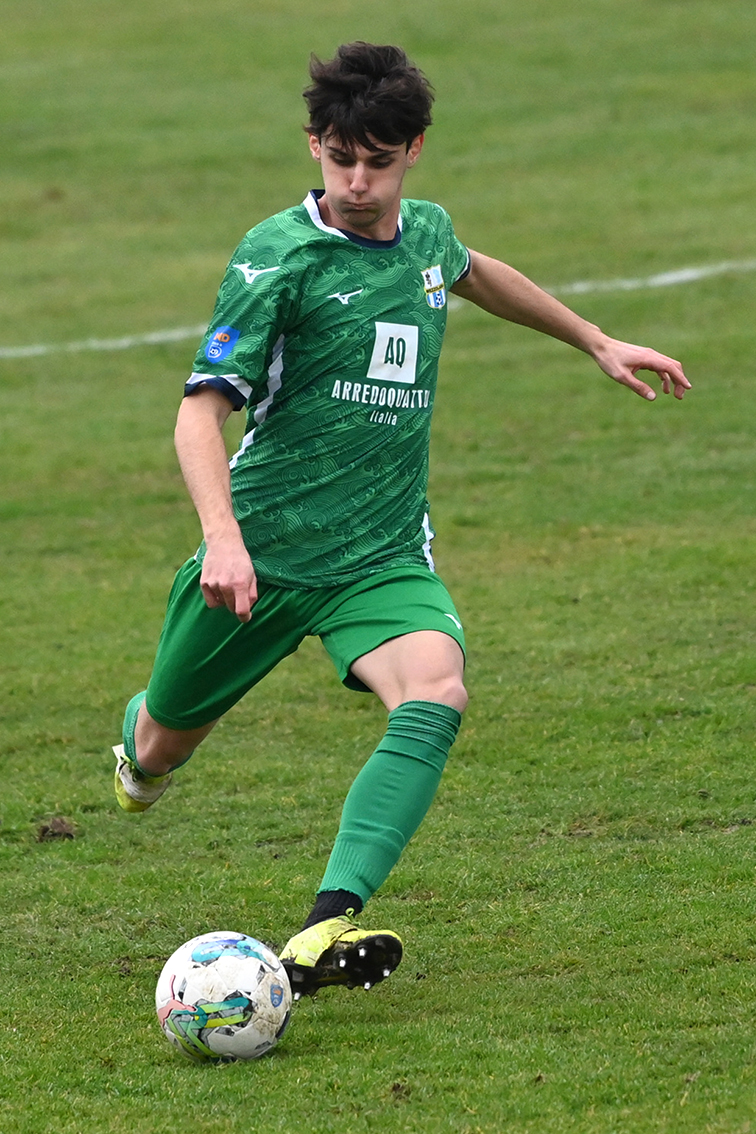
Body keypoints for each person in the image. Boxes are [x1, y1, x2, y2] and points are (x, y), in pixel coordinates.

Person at [113, 42, 690, 999]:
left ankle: (322, 923)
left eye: (378, 162)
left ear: (413, 151)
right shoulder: (278, 256)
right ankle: (139, 743)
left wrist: (593, 339)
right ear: (315, 146)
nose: (357, 183)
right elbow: (199, 411)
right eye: (341, 159)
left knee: (436, 688)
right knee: (160, 750)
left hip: (379, 554)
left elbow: (471, 271)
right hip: (264, 554)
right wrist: (224, 540)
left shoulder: (423, 233)